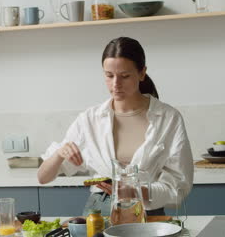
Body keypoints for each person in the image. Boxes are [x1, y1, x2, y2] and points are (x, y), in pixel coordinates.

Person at [38, 37, 193, 217]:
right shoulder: (89, 119)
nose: (115, 84)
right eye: (109, 75)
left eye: (125, 76)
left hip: (148, 214)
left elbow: (178, 187)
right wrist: (59, 153)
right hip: (98, 215)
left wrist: (135, 191)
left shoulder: (168, 118)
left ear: (142, 73)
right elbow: (43, 177)